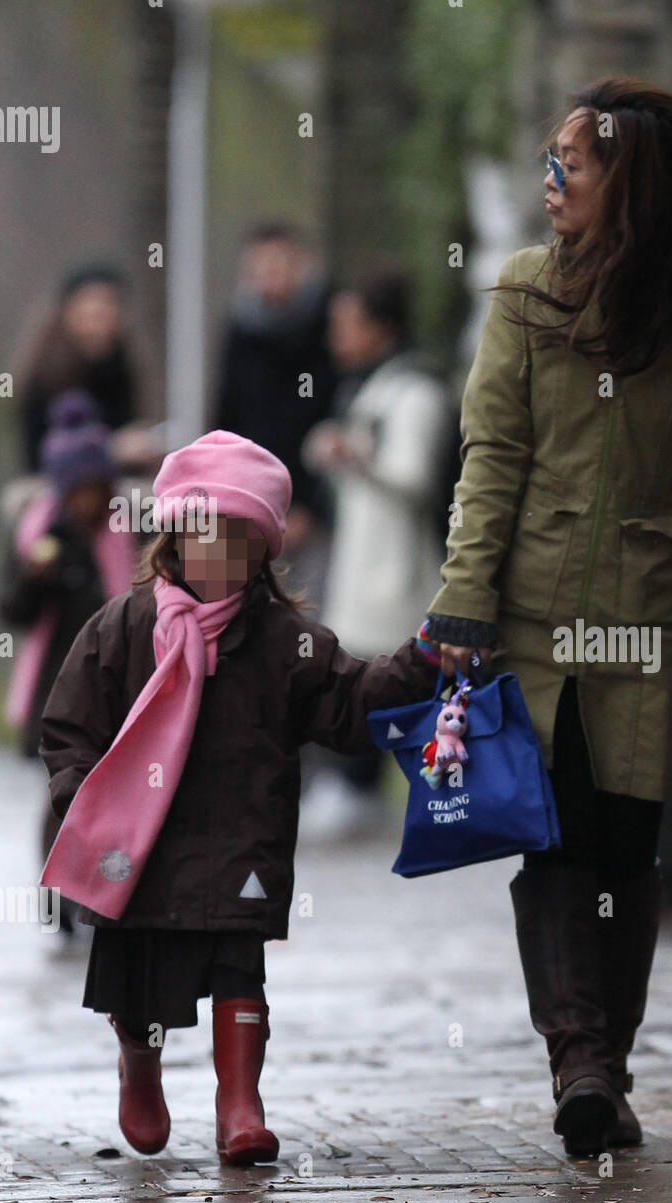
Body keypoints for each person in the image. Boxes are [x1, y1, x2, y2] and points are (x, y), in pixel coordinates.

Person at [421, 78, 672, 1157]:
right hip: (528, 617)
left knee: (627, 845)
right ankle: (577, 1058)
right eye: (545, 162)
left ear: (624, 180)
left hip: (650, 620)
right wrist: (464, 594)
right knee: (552, 837)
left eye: (566, 167)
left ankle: (606, 1065)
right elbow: (491, 456)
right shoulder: (526, 293)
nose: (546, 185)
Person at [38, 430, 440, 1164]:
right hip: (141, 846)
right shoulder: (122, 629)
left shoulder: (285, 641)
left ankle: (239, 1104)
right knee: (138, 983)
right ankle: (140, 1064)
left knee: (237, 963)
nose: (218, 556)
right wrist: (79, 795)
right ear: (173, 537)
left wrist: (423, 659)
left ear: (263, 553)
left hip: (239, 838)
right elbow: (70, 725)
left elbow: (352, 705)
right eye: (203, 535)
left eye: (239, 540)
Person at [300, 266, 455, 841]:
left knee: (400, 680)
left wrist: (353, 455)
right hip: (361, 563)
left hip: (400, 566)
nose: (336, 335)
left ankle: (422, 792)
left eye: (348, 323)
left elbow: (415, 478)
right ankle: (359, 788)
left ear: (380, 327)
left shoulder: (416, 394)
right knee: (370, 676)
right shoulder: (369, 388)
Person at [0, 391, 137, 934]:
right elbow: (12, 611)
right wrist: (35, 577)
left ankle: (103, 892)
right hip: (54, 692)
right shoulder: (43, 538)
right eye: (76, 491)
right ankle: (59, 896)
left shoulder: (128, 531)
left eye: (95, 489)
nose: (87, 503)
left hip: (115, 687)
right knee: (64, 795)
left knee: (114, 796)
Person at [214, 222, 338, 608]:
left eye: (279, 264)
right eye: (260, 268)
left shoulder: (330, 326)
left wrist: (307, 504)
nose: (271, 277)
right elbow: (227, 418)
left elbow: (333, 417)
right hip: (251, 507)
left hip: (317, 512)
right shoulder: (240, 332)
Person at [19, 265, 153, 475]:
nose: (101, 313)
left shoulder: (121, 366)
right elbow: (37, 455)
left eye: (109, 304)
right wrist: (111, 449)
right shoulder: (45, 374)